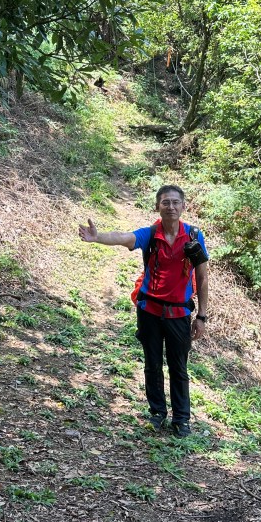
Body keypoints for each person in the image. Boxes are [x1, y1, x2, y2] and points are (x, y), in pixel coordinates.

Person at [78, 185, 210, 438]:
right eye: (165, 202)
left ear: (183, 206)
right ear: (157, 206)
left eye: (175, 202)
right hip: (149, 311)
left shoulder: (194, 236)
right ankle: (157, 412)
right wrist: (98, 237)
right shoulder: (150, 234)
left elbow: (202, 277)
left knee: (179, 367)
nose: (170, 207)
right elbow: (124, 237)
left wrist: (201, 316)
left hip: (179, 314)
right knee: (152, 364)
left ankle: (181, 419)